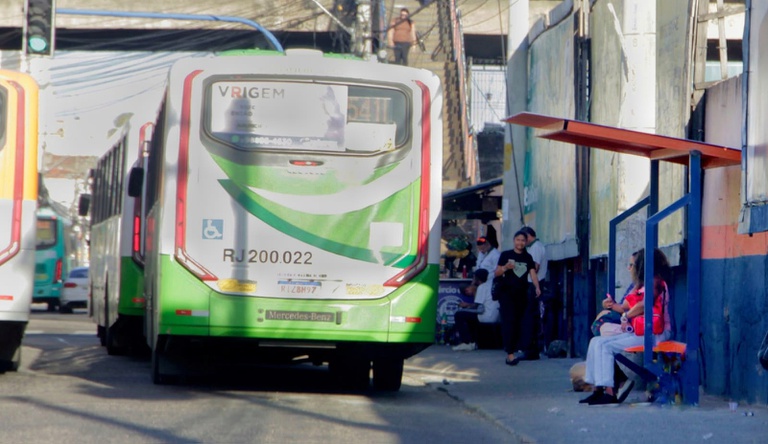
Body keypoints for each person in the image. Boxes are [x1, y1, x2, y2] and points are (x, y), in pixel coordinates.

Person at [579, 248, 672, 405]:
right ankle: (598, 389)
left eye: (631, 265)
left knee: (605, 346)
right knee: (596, 342)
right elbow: (625, 306)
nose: (629, 268)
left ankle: (610, 392)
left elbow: (644, 305)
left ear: (641, 266)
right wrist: (611, 306)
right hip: (640, 330)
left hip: (655, 333)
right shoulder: (640, 285)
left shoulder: (656, 283)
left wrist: (626, 316)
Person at [494, 230, 541, 366]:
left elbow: (533, 274)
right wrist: (505, 267)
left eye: (523, 240)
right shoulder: (506, 255)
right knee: (509, 322)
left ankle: (514, 349)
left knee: (519, 323)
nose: (520, 243)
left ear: (526, 242)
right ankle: (510, 354)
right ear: (514, 240)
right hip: (506, 294)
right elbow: (496, 273)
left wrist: (537, 287)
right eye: (518, 240)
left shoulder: (528, 257)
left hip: (521, 295)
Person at [452, 268, 500, 351]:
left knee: (459, 315)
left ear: (477, 279)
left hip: (485, 316)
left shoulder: (482, 287)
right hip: (495, 315)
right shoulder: (492, 285)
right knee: (468, 316)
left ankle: (466, 342)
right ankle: (473, 341)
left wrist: (465, 307)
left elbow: (477, 307)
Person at [519, 226, 547, 359]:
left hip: (533, 284)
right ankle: (529, 348)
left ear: (529, 236)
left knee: (529, 318)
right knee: (529, 317)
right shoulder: (535, 247)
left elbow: (534, 267)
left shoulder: (536, 248)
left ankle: (530, 350)